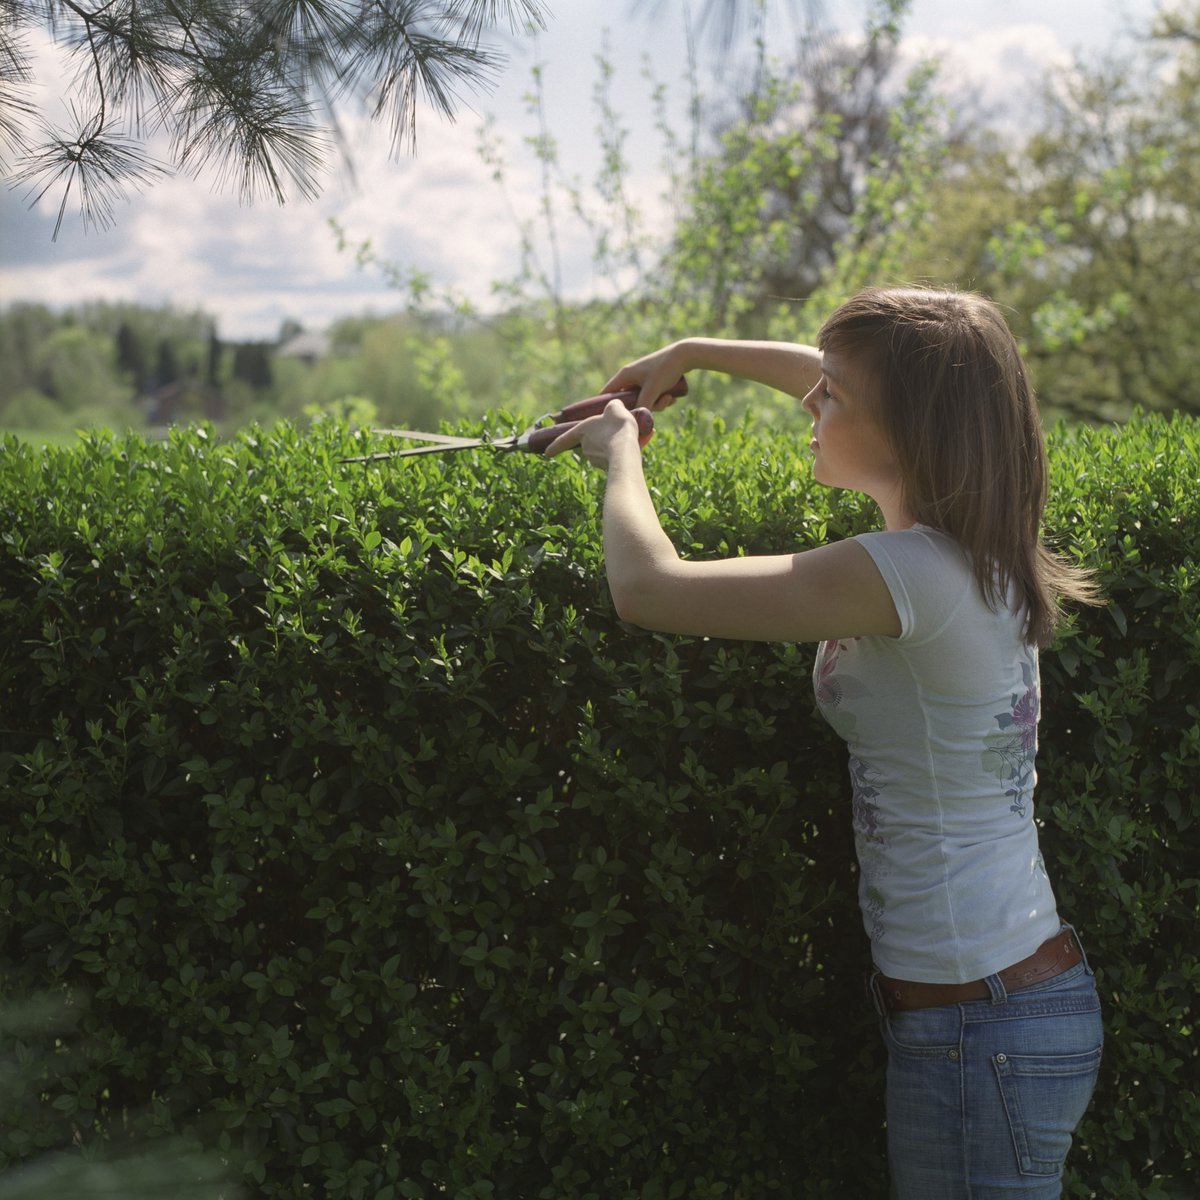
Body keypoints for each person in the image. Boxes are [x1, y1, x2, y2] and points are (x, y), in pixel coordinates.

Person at [545, 286, 1105, 1199]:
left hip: (980, 1026)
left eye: (834, 396)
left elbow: (650, 590)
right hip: (994, 1009)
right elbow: (832, 378)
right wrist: (692, 350)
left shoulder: (906, 572)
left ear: (908, 428)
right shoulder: (971, 540)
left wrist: (618, 457)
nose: (811, 402)